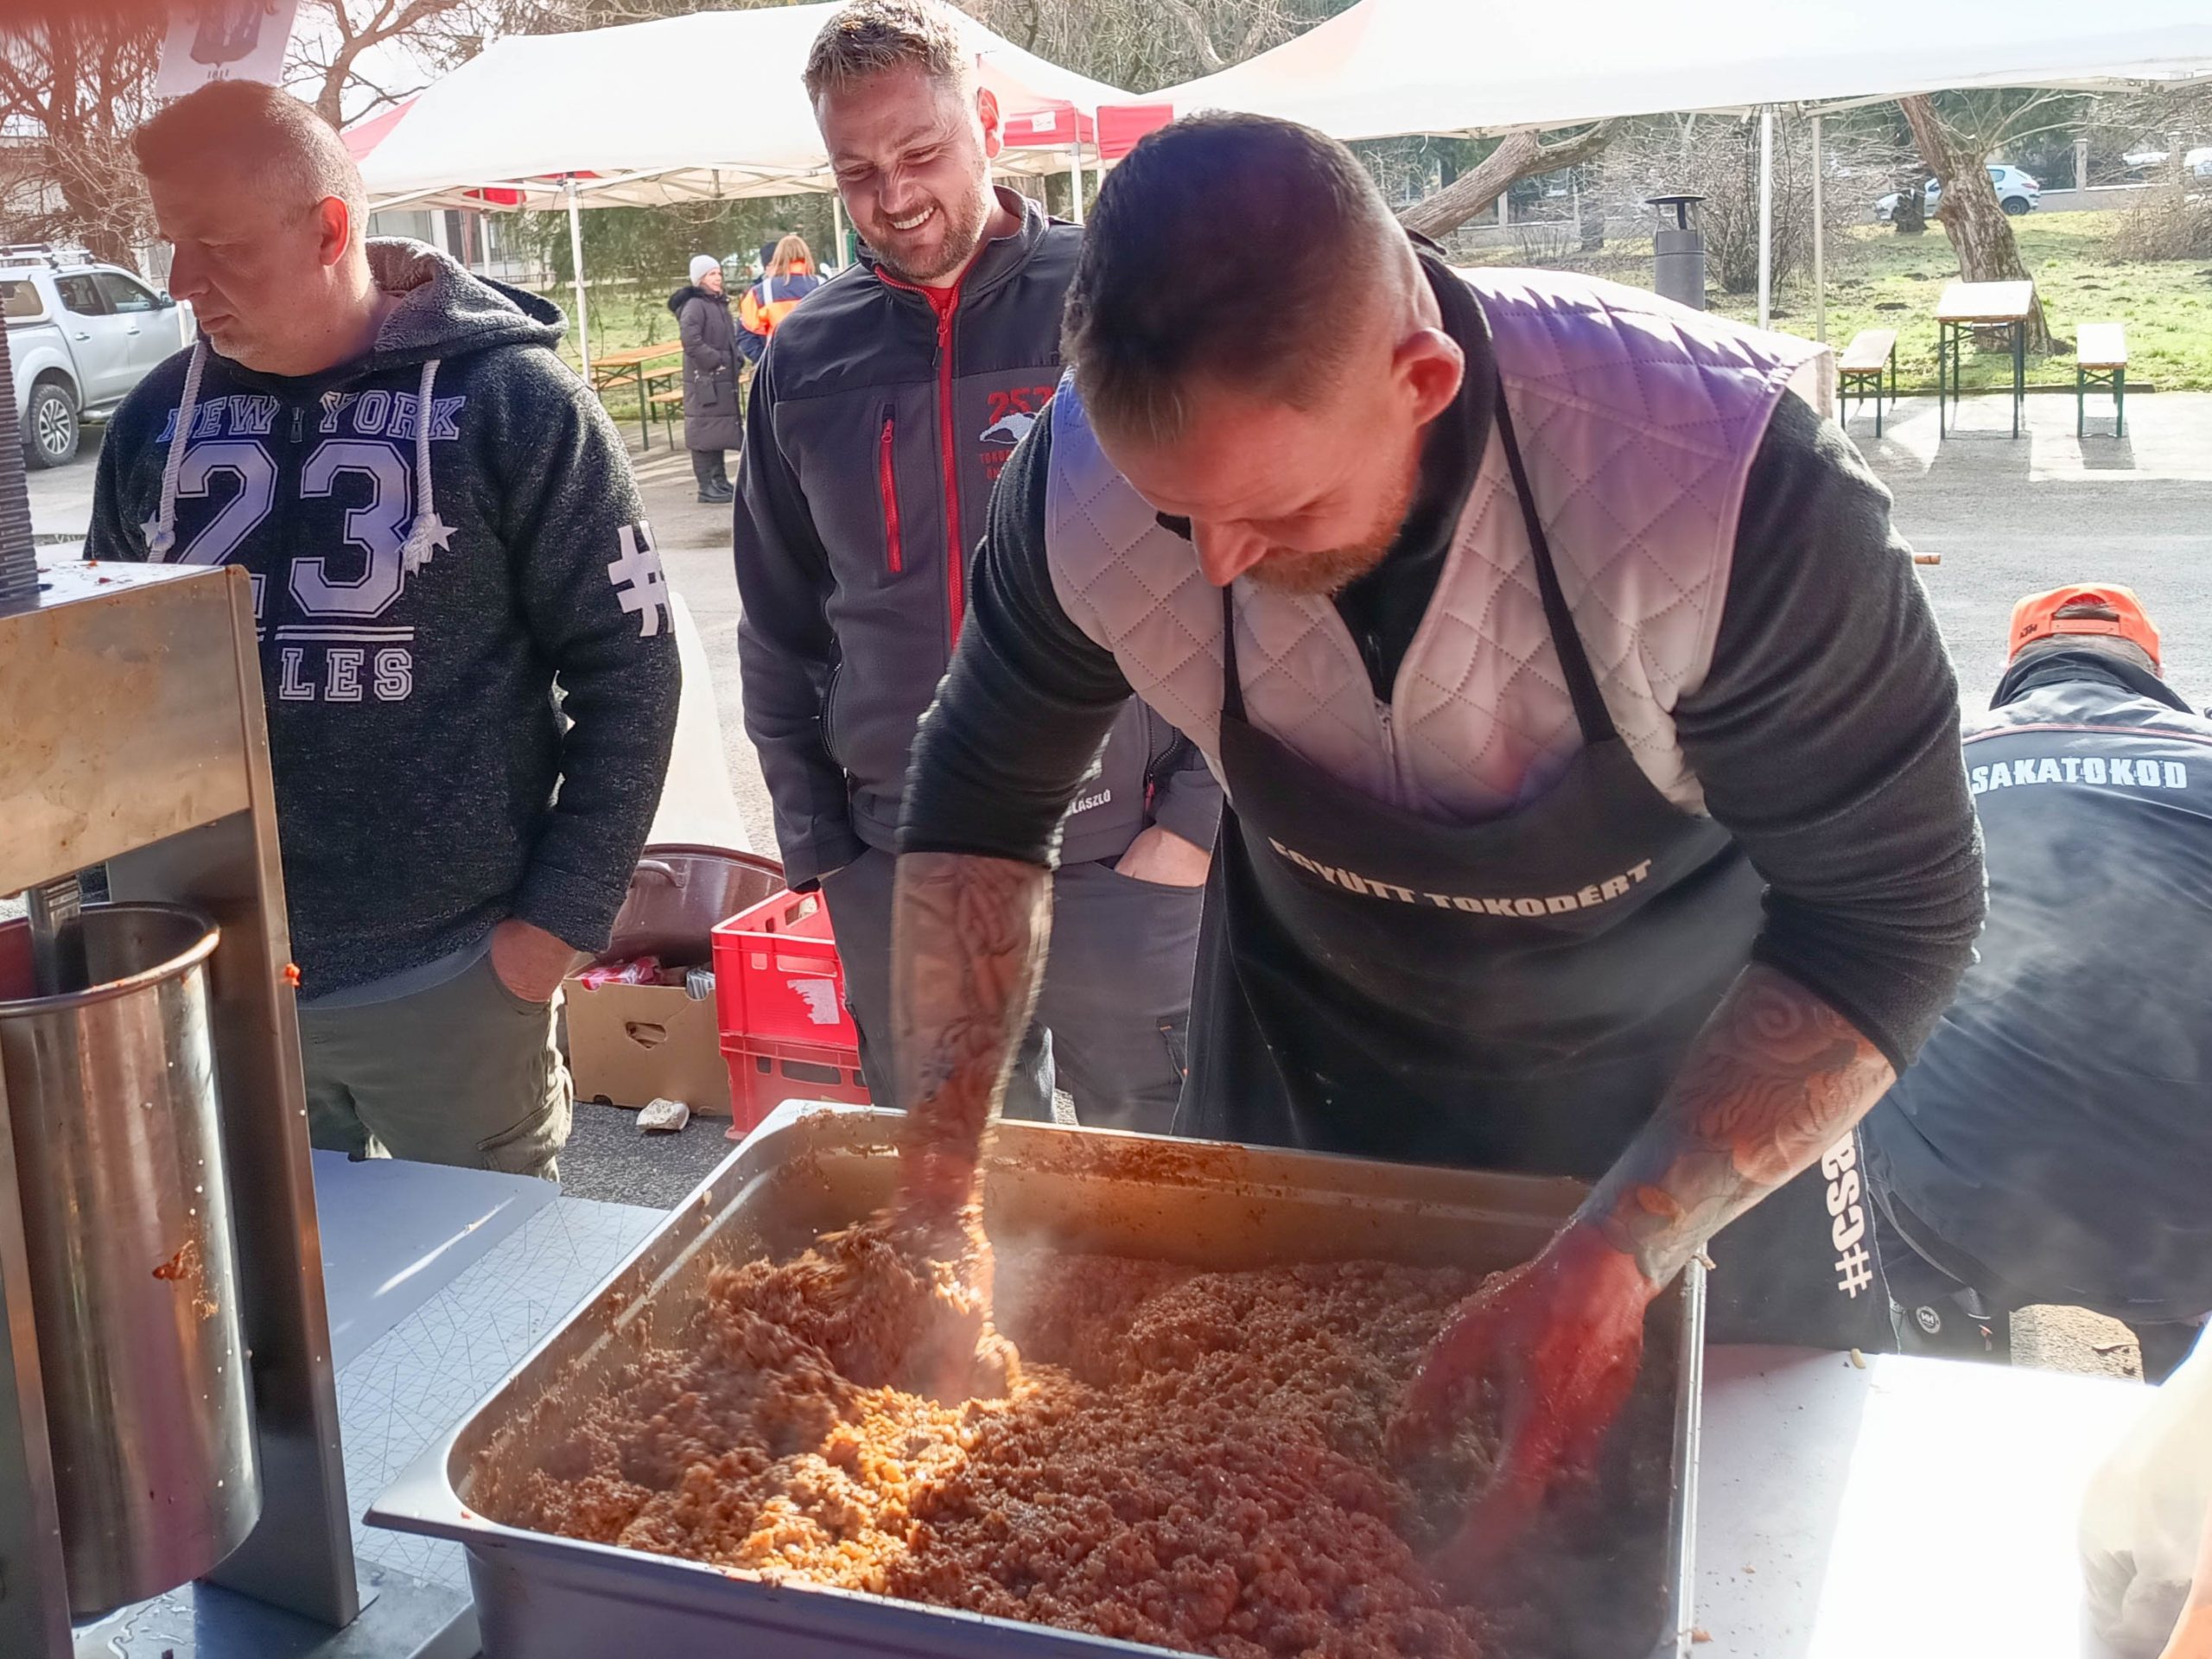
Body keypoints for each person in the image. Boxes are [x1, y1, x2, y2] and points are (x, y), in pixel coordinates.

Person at [882, 112, 1984, 1586]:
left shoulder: (1718, 482)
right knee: (1262, 1565)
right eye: (1174, 512)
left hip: (1688, 1094)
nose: (1215, 562)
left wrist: (1619, 1255)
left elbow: (1892, 920)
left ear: (1423, 380)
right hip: (1314, 1064)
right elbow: (977, 803)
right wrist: (939, 1192)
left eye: (1272, 512)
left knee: (1714, 1572)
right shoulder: (1079, 484)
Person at [88, 80, 678, 1180]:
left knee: (495, 1275)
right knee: (269, 1278)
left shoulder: (517, 402)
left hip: (457, 974)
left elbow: (632, 670)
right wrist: (111, 917)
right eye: (171, 243)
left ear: (329, 228)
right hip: (220, 975)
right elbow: (107, 695)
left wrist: (554, 928)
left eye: (218, 245)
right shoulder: (155, 420)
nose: (181, 282)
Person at [732, 0, 1219, 1134]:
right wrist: (820, 845)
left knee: (1162, 1187)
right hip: (901, 861)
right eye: (857, 171)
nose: (894, 197)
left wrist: (1200, 817)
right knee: (956, 1181)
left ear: (987, 122)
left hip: (1123, 856)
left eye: (921, 152)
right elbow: (779, 618)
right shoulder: (805, 356)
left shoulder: (1122, 303)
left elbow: (1249, 571)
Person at [1862, 584, 2212, 1383]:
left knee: (1843, 1052)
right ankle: (2176, 1377)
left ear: (2016, 670)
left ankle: (1941, 1336)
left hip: (1961, 1216)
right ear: (2150, 673)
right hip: (2194, 1238)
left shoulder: (1926, 765)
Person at [671, 253, 741, 503]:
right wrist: (717, 360)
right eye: (712, 274)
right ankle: (706, 485)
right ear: (700, 278)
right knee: (703, 431)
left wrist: (736, 358)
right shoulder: (695, 306)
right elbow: (691, 341)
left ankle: (719, 480)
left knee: (716, 431)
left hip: (720, 379)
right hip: (705, 380)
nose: (718, 278)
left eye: (719, 273)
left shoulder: (717, 304)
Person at [735, 232, 825, 366]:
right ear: (807, 256)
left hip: (778, 364)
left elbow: (745, 330)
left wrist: (762, 359)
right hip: (817, 363)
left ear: (778, 257)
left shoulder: (762, 291)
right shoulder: (823, 285)